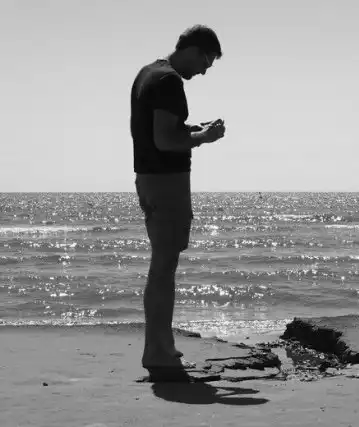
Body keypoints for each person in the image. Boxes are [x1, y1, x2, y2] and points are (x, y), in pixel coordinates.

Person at [130, 24, 226, 380]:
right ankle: (158, 352)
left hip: (151, 179)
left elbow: (160, 131)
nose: (204, 71)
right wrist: (204, 138)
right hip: (166, 182)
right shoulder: (169, 81)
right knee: (163, 267)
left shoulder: (149, 73)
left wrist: (194, 129)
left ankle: (161, 347)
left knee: (162, 265)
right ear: (195, 50)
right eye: (206, 62)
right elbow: (164, 141)